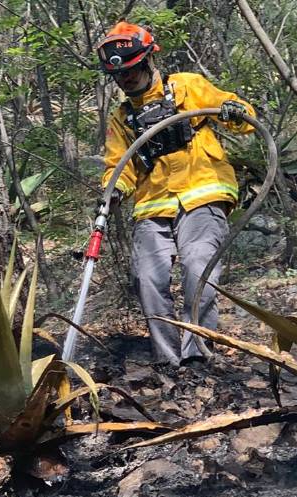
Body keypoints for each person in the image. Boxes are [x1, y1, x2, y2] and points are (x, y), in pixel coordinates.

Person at [97, 22, 255, 367]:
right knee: (147, 279)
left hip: (202, 193)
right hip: (152, 206)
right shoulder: (122, 118)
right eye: (119, 75)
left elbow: (237, 114)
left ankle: (197, 358)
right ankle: (168, 363)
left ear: (148, 60)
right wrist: (114, 190)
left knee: (198, 268)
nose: (125, 79)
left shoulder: (187, 86)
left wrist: (236, 112)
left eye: (131, 70)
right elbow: (119, 166)